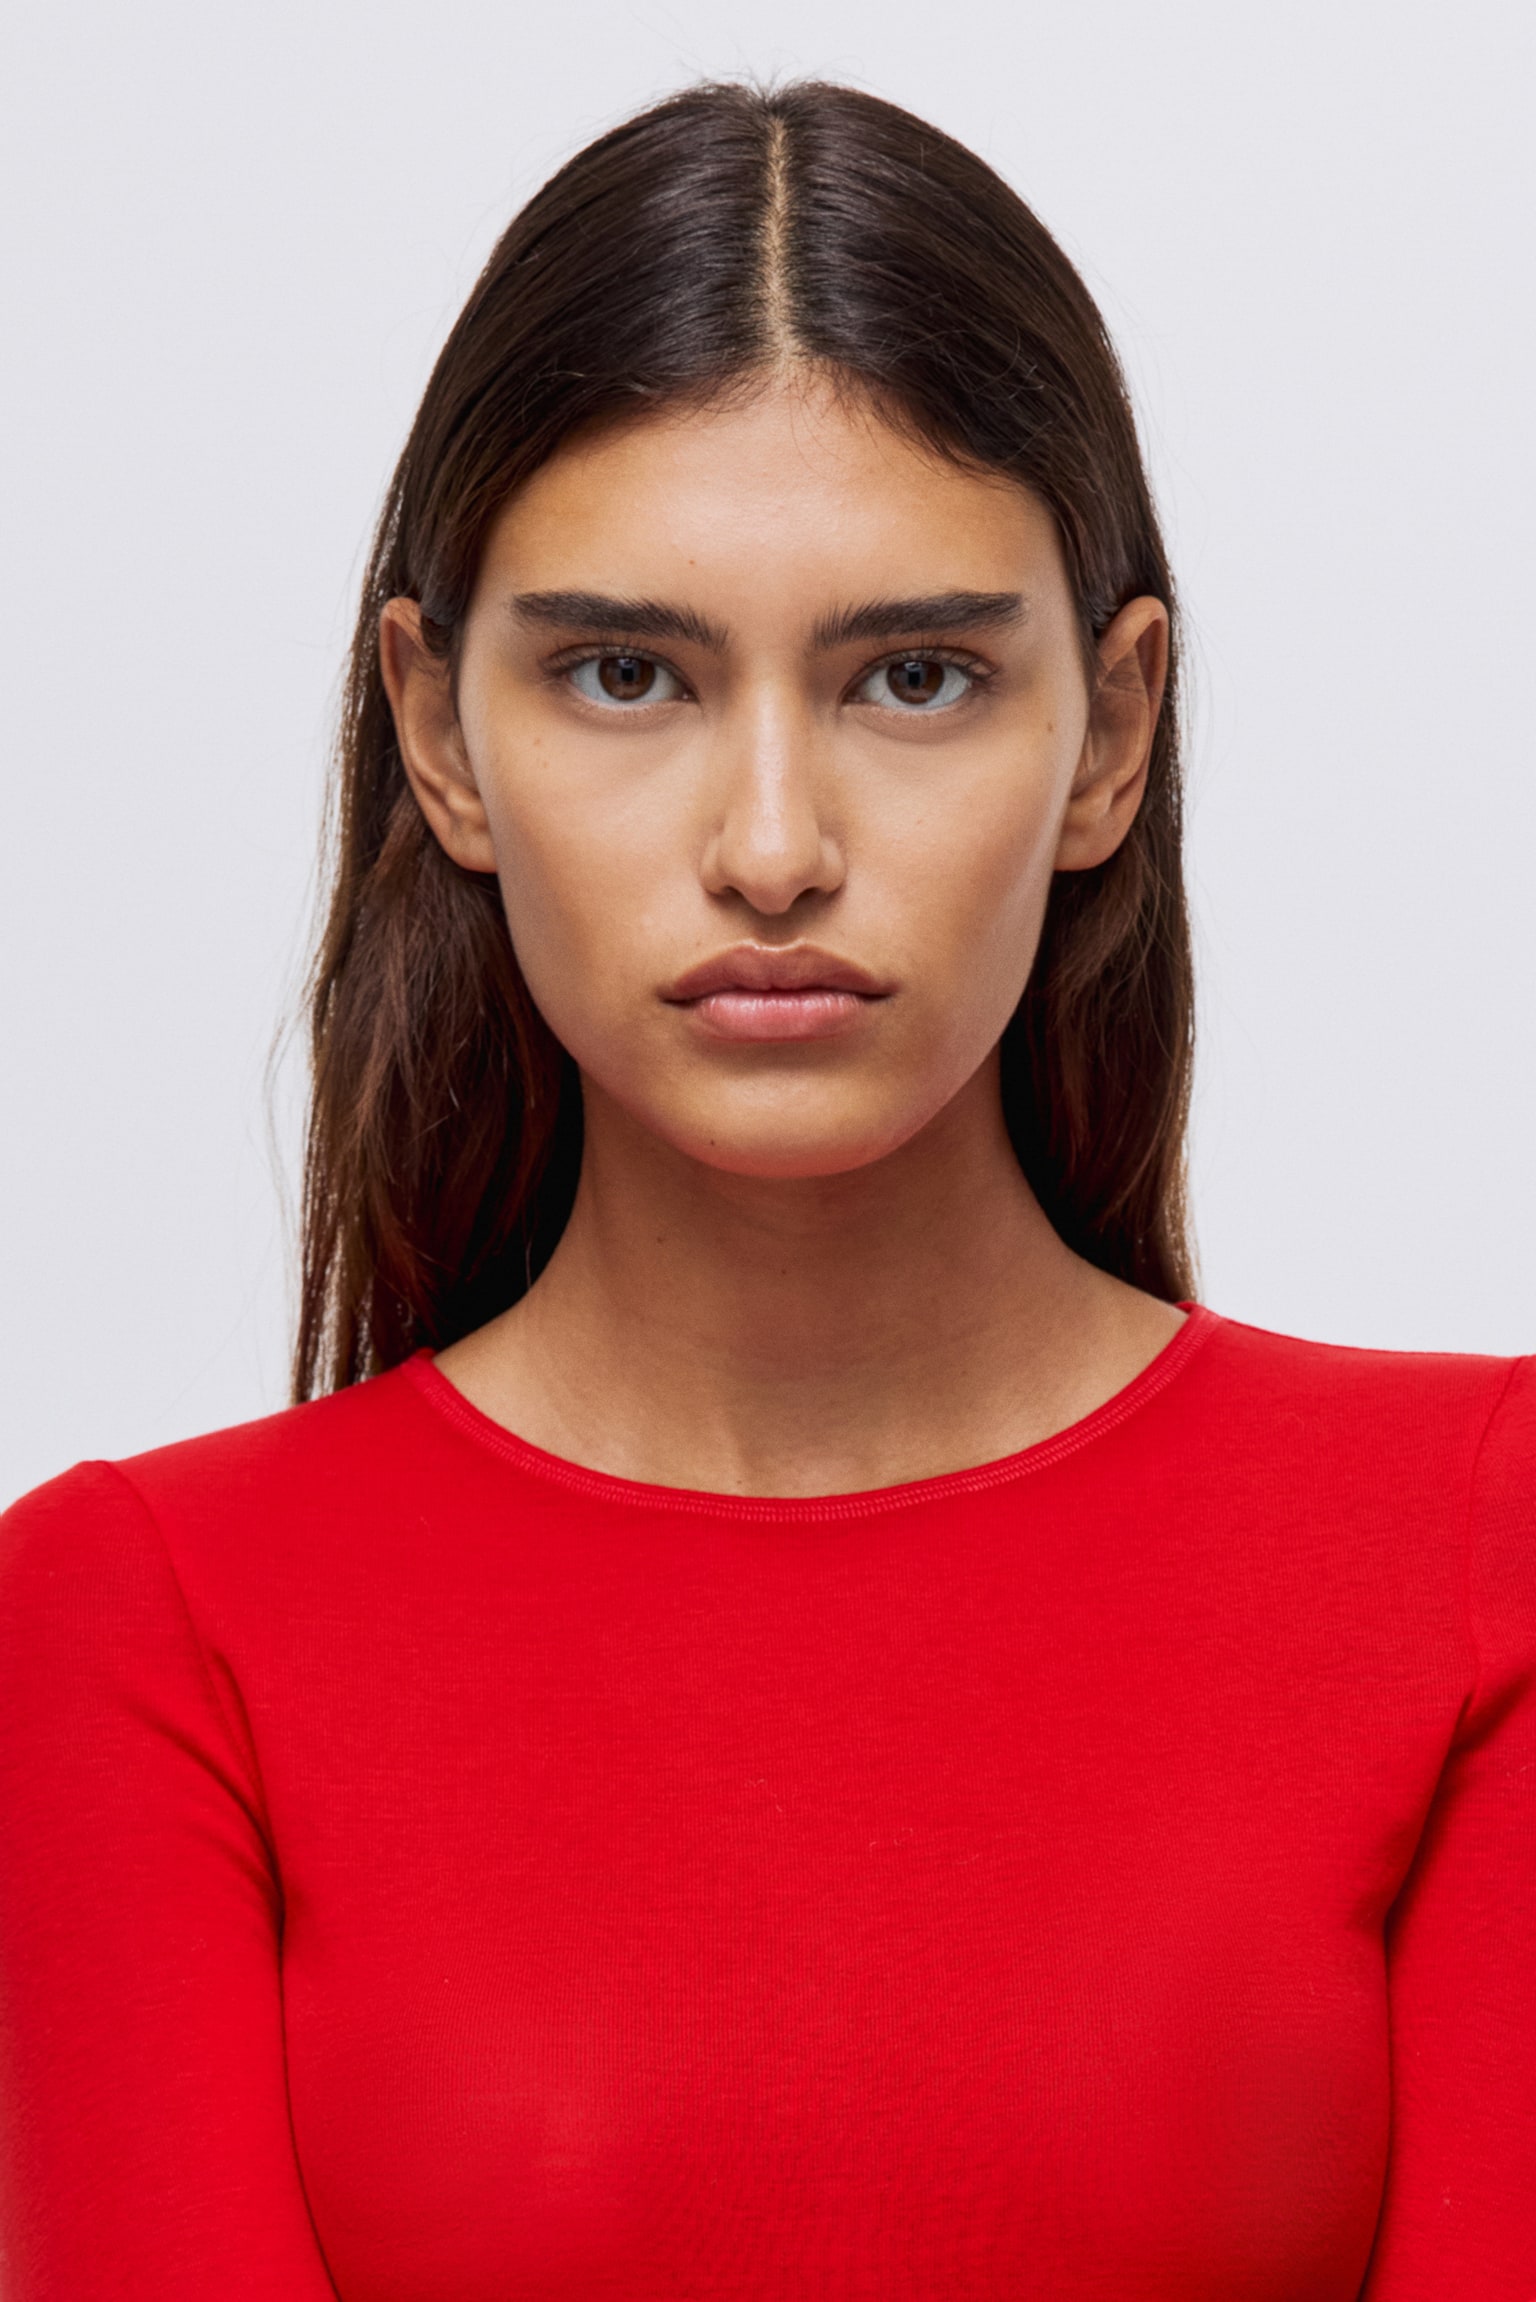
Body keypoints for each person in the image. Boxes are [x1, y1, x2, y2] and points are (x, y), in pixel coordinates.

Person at [0, 77, 1529, 2302]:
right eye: (627, 673)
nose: (776, 845)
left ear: (1110, 733)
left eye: (915, 675)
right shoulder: (143, 1627)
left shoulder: (1481, 1555)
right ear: (439, 733)